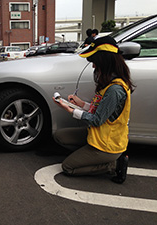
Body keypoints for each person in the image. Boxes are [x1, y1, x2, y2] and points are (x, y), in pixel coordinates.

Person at [53, 36, 135, 184]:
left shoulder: (115, 90)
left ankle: (113, 165)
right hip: (98, 136)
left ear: (104, 62)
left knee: (68, 167)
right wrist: (80, 103)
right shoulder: (111, 84)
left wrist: (70, 110)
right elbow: (101, 110)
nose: (93, 66)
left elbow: (97, 120)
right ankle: (90, 155)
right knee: (60, 136)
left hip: (108, 145)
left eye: (95, 62)